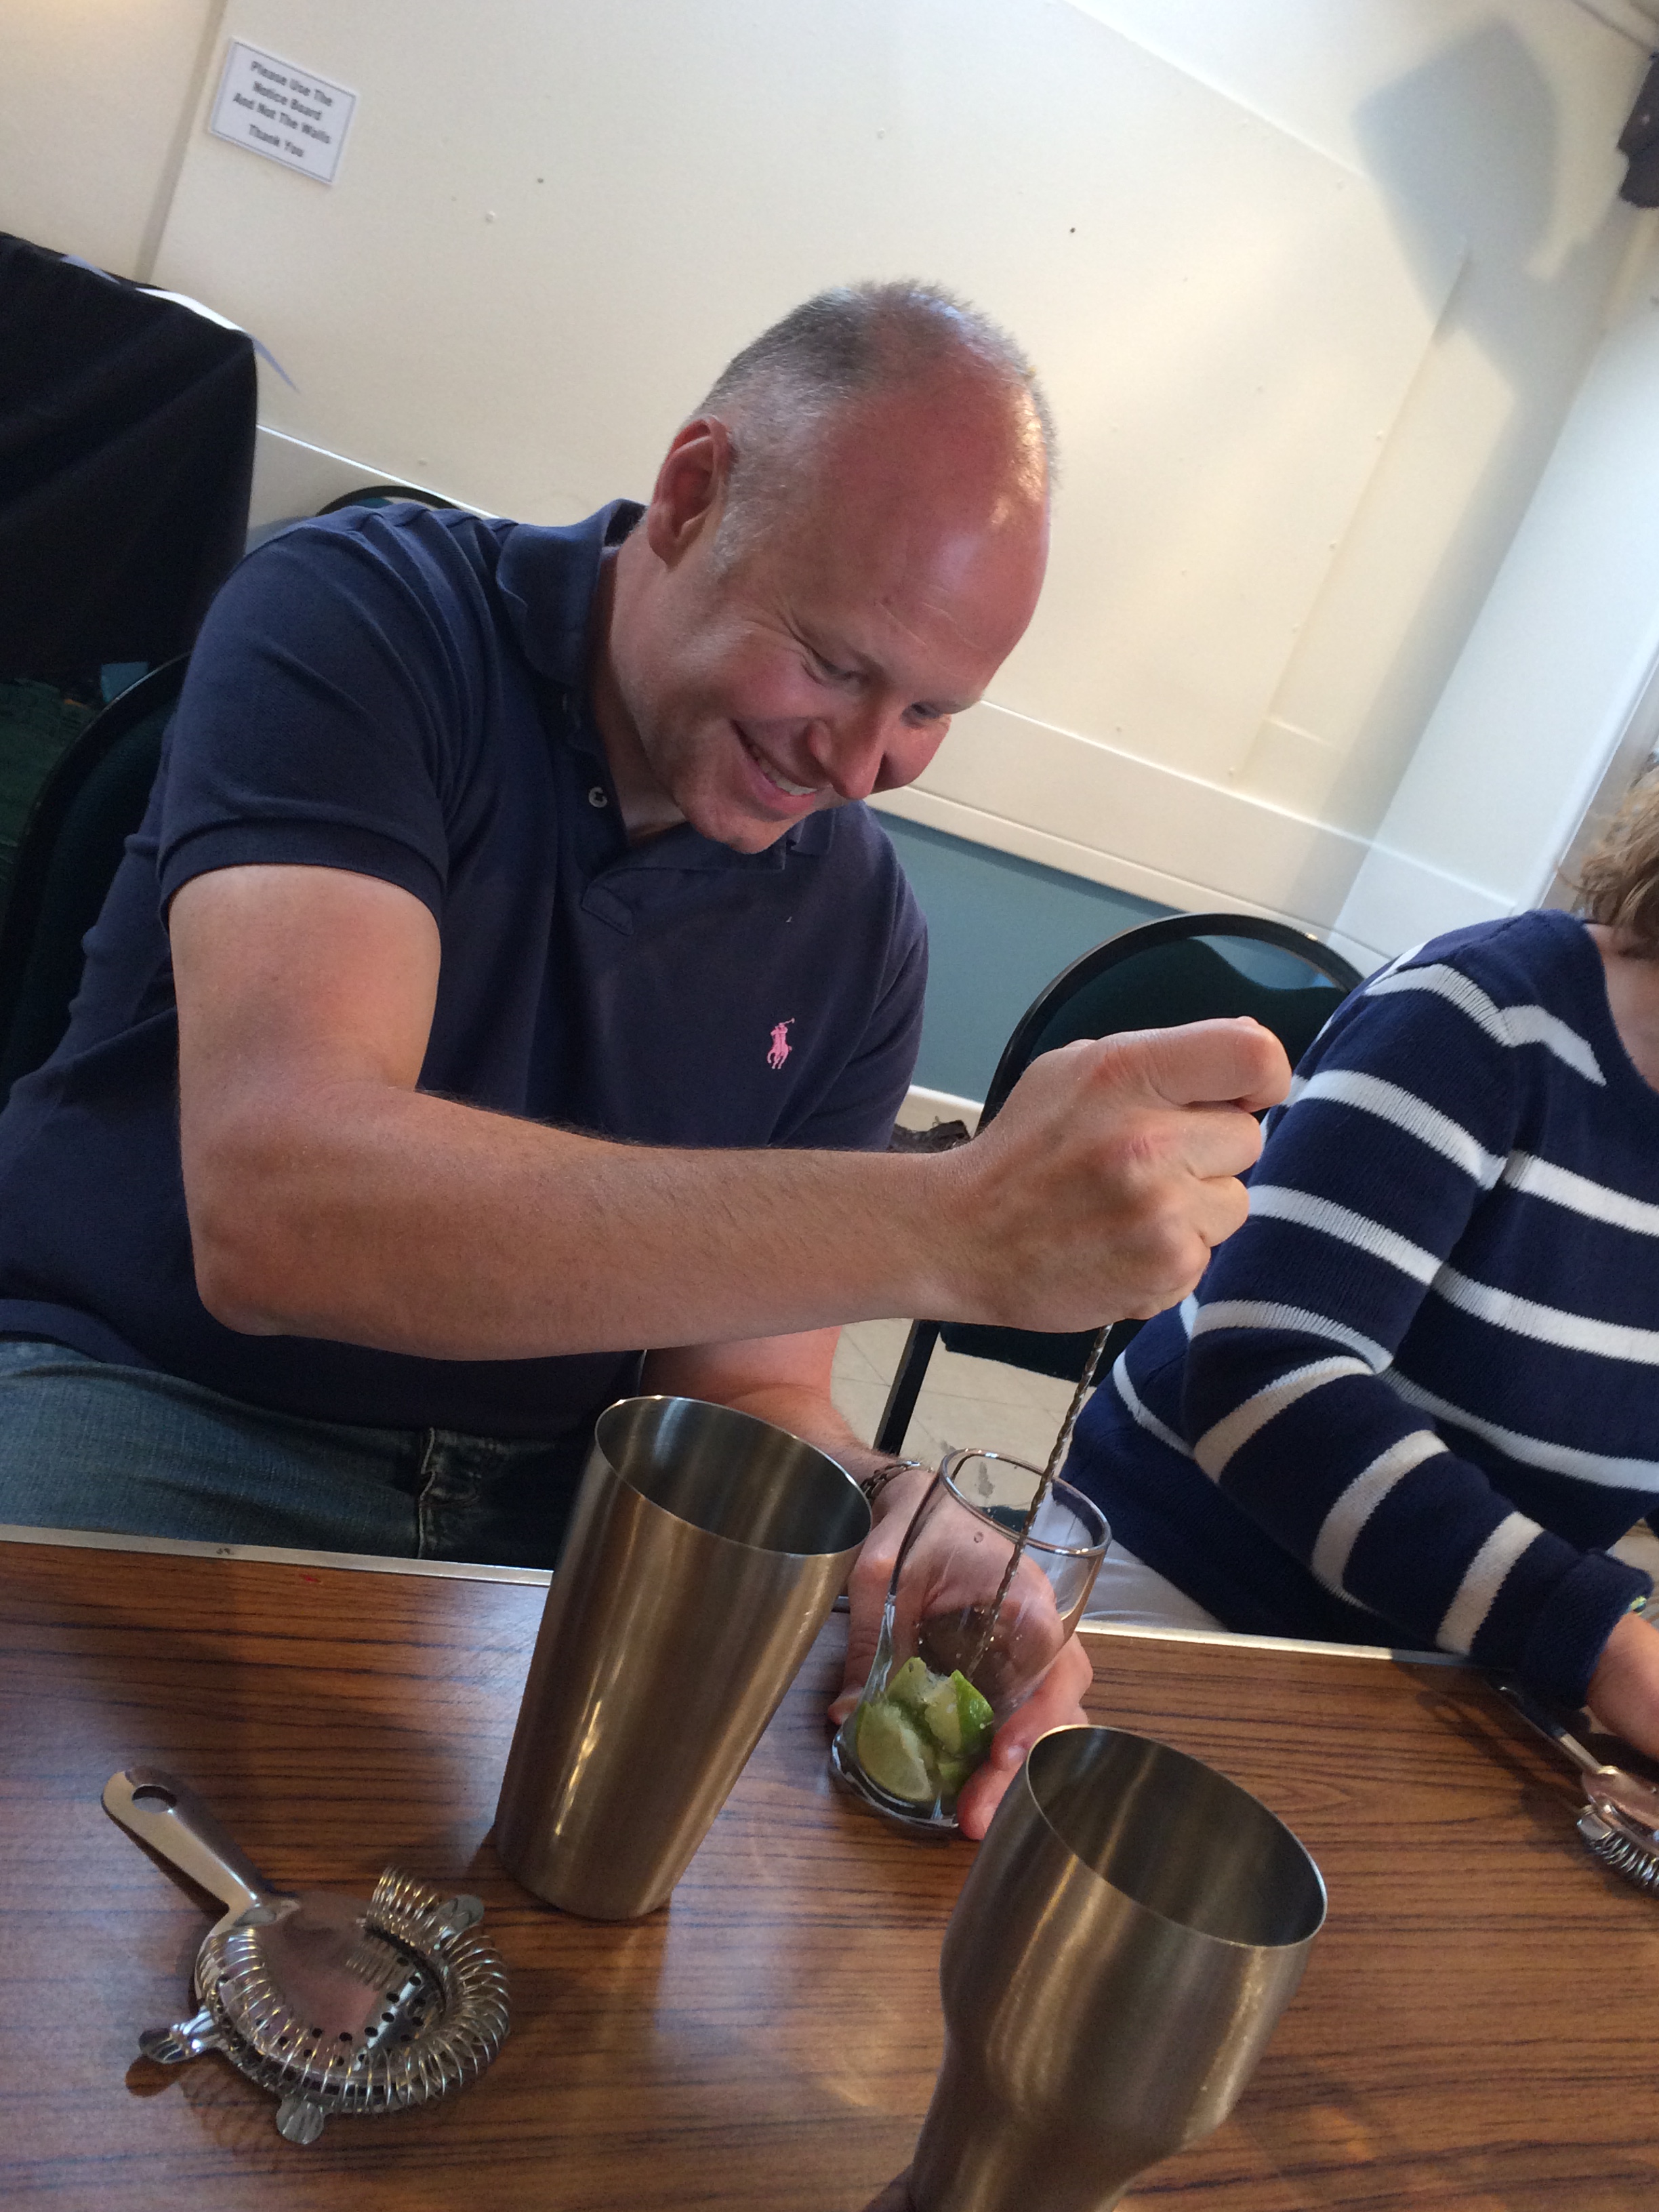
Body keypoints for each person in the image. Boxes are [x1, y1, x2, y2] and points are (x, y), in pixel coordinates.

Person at [0, 282, 1288, 1835]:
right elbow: (284, 1210)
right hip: (151, 1396)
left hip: (561, 1501)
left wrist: (902, 1510)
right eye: (833, 664)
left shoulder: (858, 922)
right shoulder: (367, 619)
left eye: (931, 711)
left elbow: (742, 1382)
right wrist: (956, 1225)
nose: (862, 763)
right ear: (692, 496)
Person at [1065, 771, 1659, 1745]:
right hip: (1195, 1590)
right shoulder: (1485, 1013)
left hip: (1464, 1665)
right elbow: (1270, 1377)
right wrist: (1600, 1642)